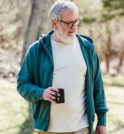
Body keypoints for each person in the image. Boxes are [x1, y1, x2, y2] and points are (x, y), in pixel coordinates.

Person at [17, 1, 108, 134]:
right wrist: (42, 93)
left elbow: (98, 86)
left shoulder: (87, 48)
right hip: (47, 130)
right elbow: (22, 84)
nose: (74, 27)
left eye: (76, 21)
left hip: (80, 128)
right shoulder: (37, 50)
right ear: (54, 23)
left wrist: (102, 121)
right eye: (68, 23)